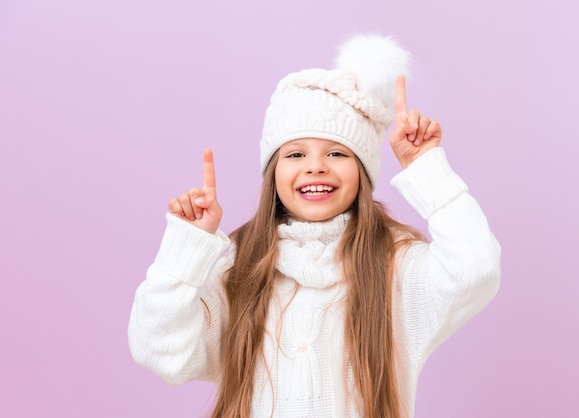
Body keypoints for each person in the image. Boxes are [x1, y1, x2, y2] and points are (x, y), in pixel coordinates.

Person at [128, 34, 501, 418]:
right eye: (295, 153)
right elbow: (159, 350)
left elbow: (476, 268)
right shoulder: (239, 272)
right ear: (274, 173)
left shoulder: (396, 268)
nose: (315, 166)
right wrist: (185, 248)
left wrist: (426, 167)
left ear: (363, 171)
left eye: (337, 152)